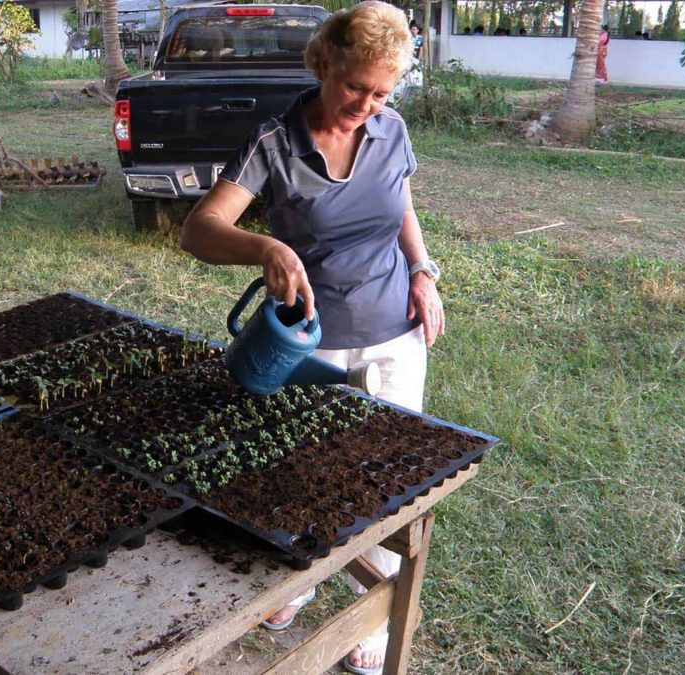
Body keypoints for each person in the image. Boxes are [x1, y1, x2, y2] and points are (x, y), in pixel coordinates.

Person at [179, 2, 445, 673]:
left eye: (383, 92)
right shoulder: (274, 142)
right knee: (306, 469)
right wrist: (262, 243)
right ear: (326, 62)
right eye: (357, 86)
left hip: (395, 334)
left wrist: (422, 270)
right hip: (314, 341)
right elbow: (200, 228)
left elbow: (401, 203)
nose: (368, 104)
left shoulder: (392, 129)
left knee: (387, 472)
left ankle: (378, 614)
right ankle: (300, 582)